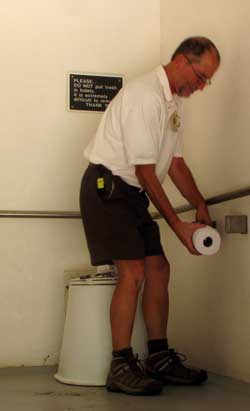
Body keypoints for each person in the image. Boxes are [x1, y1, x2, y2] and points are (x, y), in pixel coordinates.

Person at [80, 36, 220, 396]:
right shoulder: (144, 95)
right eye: (202, 77)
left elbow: (174, 165)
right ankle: (120, 364)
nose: (202, 87)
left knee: (159, 268)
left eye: (207, 81)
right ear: (183, 61)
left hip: (132, 194)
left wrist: (200, 204)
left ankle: (159, 357)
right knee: (134, 270)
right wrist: (178, 226)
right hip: (107, 187)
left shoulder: (171, 106)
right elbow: (144, 171)